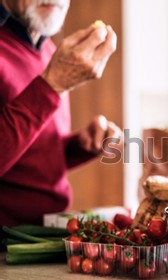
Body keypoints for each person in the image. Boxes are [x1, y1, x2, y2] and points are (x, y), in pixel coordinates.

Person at [0, 0, 122, 226]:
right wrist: (52, 85)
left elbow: (24, 161)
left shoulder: (48, 50)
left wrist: (81, 146)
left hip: (43, 234)